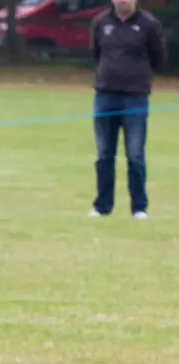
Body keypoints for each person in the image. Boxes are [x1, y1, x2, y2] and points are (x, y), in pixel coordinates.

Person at [88, 0, 165, 219]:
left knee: (135, 155)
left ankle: (139, 207)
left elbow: (157, 57)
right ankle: (102, 206)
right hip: (105, 96)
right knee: (104, 155)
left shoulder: (149, 24)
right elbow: (96, 52)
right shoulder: (100, 22)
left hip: (135, 98)